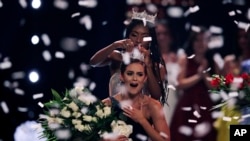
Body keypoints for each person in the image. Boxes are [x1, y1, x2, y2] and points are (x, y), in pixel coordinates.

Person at [89, 9, 167, 103]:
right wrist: (114, 45)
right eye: (134, 35)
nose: (138, 40)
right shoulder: (117, 57)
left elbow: (156, 96)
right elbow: (93, 62)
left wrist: (148, 66)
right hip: (115, 114)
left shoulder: (154, 64)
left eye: (144, 36)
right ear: (128, 36)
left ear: (150, 40)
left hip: (140, 115)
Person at [102, 58, 170, 141]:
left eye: (140, 74)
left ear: (145, 79)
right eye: (130, 74)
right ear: (122, 77)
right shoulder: (107, 104)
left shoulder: (153, 106)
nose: (135, 78)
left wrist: (142, 120)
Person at [170, 26, 217, 141]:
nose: (200, 43)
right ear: (192, 42)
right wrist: (198, 76)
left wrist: (205, 75)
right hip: (187, 104)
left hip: (205, 104)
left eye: (204, 40)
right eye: (197, 40)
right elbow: (179, 83)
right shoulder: (185, 59)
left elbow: (215, 87)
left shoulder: (212, 60)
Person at [155, 18, 182, 125]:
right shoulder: (149, 58)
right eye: (158, 34)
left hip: (176, 101)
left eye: (165, 33)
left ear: (171, 36)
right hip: (154, 101)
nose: (162, 37)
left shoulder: (180, 57)